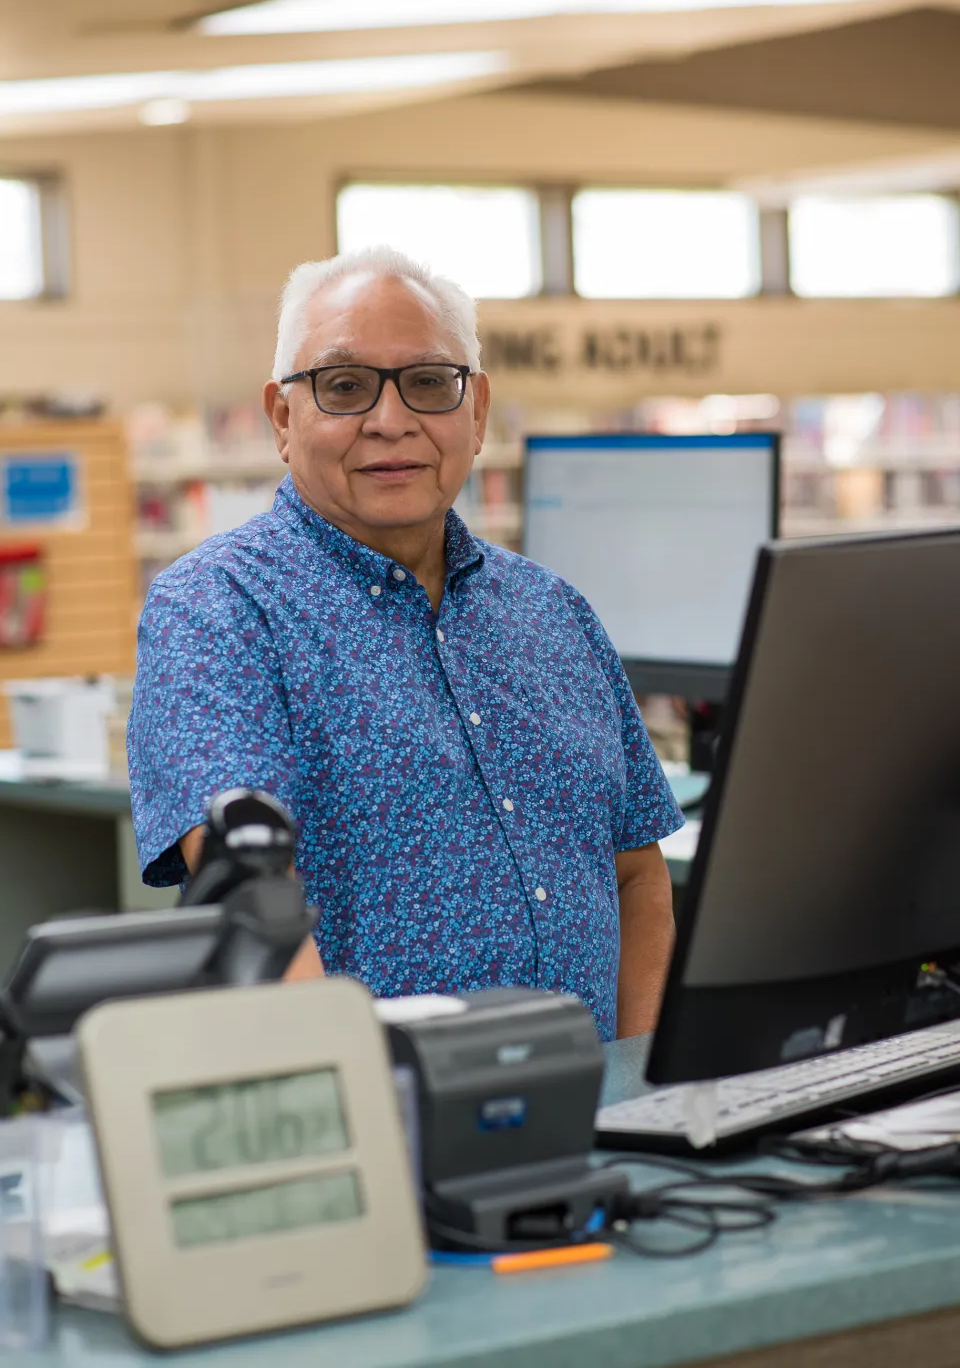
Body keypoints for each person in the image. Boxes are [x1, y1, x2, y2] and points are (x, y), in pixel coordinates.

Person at [128, 247, 684, 1038]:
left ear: (478, 411)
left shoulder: (556, 614)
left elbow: (636, 877)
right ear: (283, 418)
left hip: (592, 1128)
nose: (392, 420)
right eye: (344, 386)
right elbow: (251, 904)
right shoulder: (218, 609)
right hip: (383, 1131)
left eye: (428, 382)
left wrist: (638, 1099)